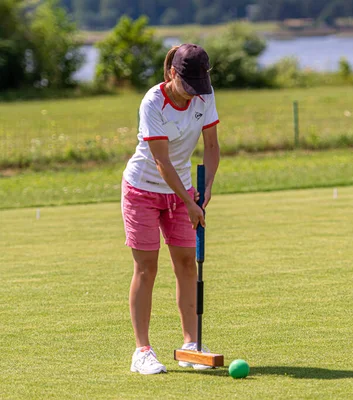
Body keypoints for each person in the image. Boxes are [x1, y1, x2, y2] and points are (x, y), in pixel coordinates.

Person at [121, 44, 220, 375]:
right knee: (147, 268)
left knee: (186, 264)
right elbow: (162, 161)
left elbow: (211, 147)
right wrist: (189, 202)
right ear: (171, 74)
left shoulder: (204, 96)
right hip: (143, 190)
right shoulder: (153, 101)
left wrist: (205, 191)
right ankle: (142, 351)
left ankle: (191, 345)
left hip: (185, 191)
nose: (193, 94)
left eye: (198, 87)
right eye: (187, 86)